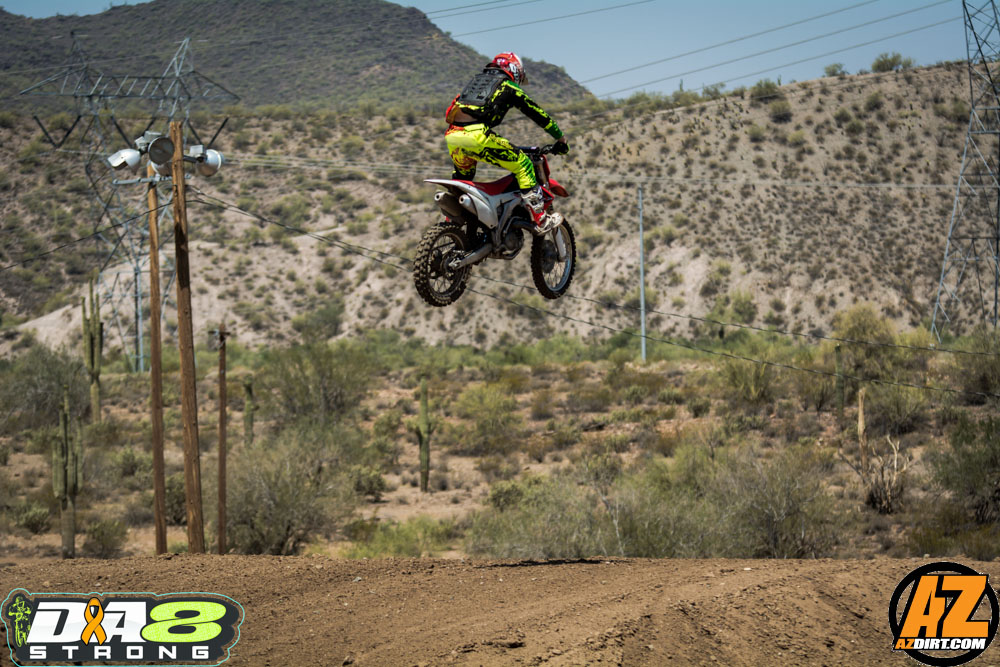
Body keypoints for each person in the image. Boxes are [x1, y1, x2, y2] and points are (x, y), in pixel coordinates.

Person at [445, 52, 569, 234]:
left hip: (453, 136)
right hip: (477, 136)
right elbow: (536, 112)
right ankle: (540, 219)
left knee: (463, 179)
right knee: (524, 165)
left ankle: (451, 224)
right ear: (514, 70)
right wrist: (560, 137)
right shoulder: (507, 86)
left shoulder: (475, 84)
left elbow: (450, 112)